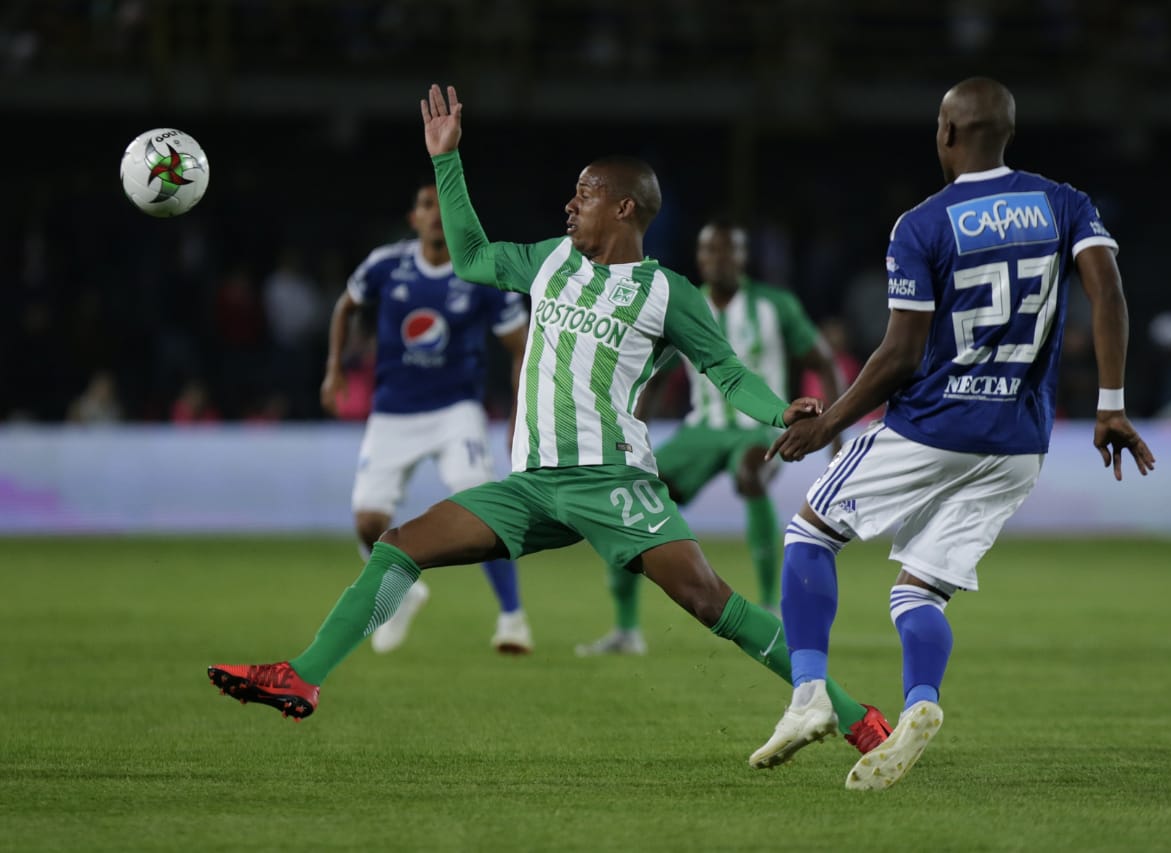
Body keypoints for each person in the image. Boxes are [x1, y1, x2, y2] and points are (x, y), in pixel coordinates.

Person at [208, 84, 894, 762]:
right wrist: (447, 159)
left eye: (586, 193)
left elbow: (727, 372)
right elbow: (474, 256)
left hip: (611, 479)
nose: (571, 203)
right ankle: (305, 674)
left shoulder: (666, 292)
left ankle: (855, 714)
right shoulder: (551, 259)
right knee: (400, 542)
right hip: (532, 485)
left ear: (625, 207)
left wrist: (781, 410)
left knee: (709, 600)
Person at [747, 77, 1155, 789]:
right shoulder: (1064, 202)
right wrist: (1111, 403)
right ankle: (921, 703)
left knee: (811, 533)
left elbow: (900, 353)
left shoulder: (923, 223)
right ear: (1007, 135)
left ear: (945, 133)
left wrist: (830, 421)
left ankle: (808, 694)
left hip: (933, 423)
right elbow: (1107, 290)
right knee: (918, 594)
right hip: (1019, 443)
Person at [576, 219, 843, 656]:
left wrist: (833, 433)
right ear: (699, 258)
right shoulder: (680, 304)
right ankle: (626, 630)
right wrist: (628, 436)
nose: (719, 259)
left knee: (751, 472)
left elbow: (825, 361)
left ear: (743, 258)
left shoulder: (776, 305)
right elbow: (653, 380)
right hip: (700, 430)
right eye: (709, 251)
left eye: (729, 251)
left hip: (759, 428)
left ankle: (770, 606)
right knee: (630, 499)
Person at [319, 179, 534, 655]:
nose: (435, 214)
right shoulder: (385, 264)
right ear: (413, 217)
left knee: (482, 507)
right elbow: (345, 307)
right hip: (393, 411)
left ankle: (512, 618)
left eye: (443, 207)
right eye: (424, 206)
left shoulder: (481, 273)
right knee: (367, 521)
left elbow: (520, 348)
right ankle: (405, 593)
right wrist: (334, 370)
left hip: (456, 411)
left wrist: (518, 416)